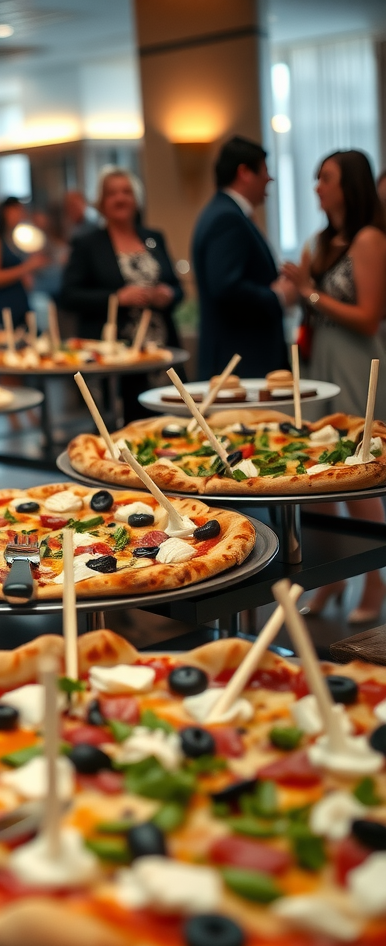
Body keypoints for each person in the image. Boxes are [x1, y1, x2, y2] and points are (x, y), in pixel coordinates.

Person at [282, 150, 386, 624]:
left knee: (357, 473)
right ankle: (331, 578)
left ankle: (375, 581)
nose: (317, 187)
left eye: (326, 178)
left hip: (355, 363)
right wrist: (295, 289)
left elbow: (368, 317)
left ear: (349, 186)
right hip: (319, 362)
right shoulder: (321, 242)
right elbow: (308, 303)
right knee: (319, 475)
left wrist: (310, 291)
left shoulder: (370, 239)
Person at [59, 167, 183, 420]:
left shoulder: (154, 238)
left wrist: (168, 294)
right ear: (101, 203)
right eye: (112, 193)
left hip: (160, 352)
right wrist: (116, 298)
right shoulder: (88, 244)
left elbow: (177, 287)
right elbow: (68, 295)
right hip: (115, 358)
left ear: (136, 199)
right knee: (125, 425)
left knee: (171, 423)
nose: (120, 198)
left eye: (126, 192)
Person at [192, 135, 294, 379]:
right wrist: (277, 296)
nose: (269, 178)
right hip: (241, 360)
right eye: (264, 171)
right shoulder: (227, 218)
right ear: (245, 173)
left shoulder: (224, 211)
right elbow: (225, 286)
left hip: (239, 357)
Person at [0, 197, 47, 328]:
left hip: (22, 305)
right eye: (16, 211)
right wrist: (26, 268)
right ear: (4, 213)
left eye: (21, 211)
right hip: (4, 308)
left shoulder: (18, 240)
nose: (20, 215)